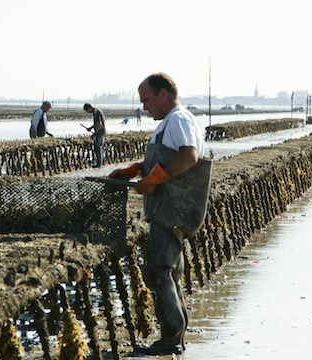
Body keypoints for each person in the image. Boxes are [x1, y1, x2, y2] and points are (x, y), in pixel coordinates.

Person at [109, 72, 207, 356]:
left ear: (163, 94)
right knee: (170, 272)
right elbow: (165, 157)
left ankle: (171, 340)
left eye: (147, 100)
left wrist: (151, 180)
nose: (144, 107)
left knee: (161, 271)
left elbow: (188, 157)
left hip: (171, 209)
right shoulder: (171, 122)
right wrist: (135, 170)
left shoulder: (178, 119)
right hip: (169, 208)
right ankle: (175, 335)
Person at [83, 103, 106, 167]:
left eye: (87, 111)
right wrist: (91, 128)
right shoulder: (98, 111)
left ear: (89, 108)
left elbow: (99, 124)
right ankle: (99, 163)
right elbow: (96, 123)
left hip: (100, 133)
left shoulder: (96, 112)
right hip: (101, 132)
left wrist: (95, 134)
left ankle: (99, 165)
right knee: (98, 148)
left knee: (98, 148)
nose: (87, 112)